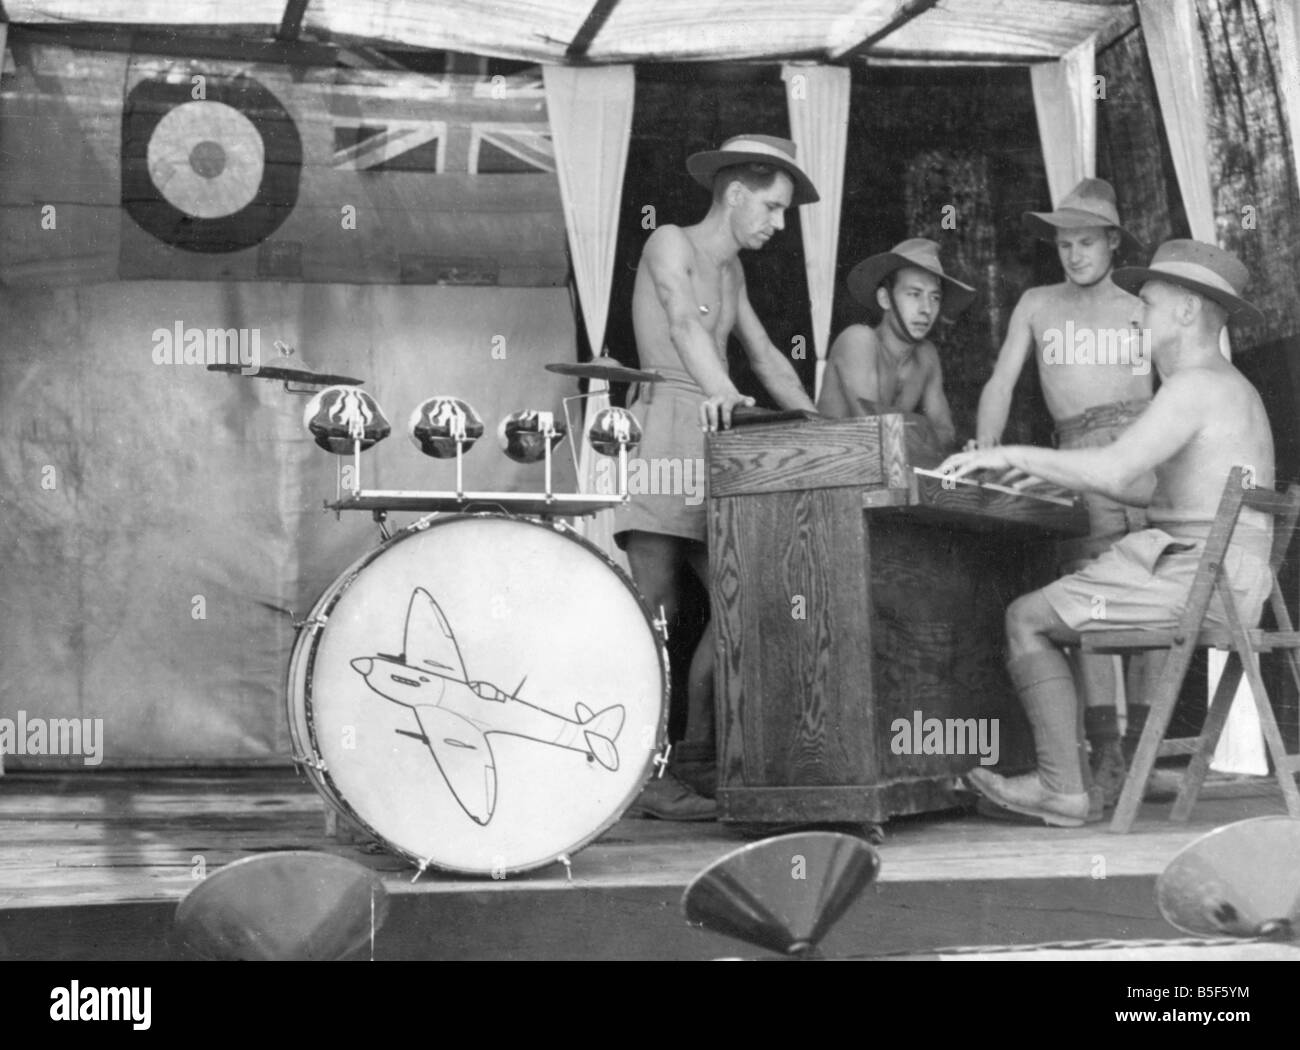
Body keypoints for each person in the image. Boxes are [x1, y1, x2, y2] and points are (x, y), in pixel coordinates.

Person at [938, 240, 1273, 827]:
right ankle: (1075, 777)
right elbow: (1155, 491)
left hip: (1202, 580)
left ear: (1188, 311)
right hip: (1230, 580)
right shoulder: (1229, 385)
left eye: (1147, 304)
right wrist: (1039, 467)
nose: (1136, 317)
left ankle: (1061, 789)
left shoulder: (1193, 386)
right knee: (1052, 603)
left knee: (1025, 618)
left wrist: (1016, 451)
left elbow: (1116, 468)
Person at [615, 134, 820, 820]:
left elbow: (764, 356)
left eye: (784, 212)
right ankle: (639, 770)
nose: (778, 223)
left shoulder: (733, 274)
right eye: (772, 207)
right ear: (734, 194)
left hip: (715, 433)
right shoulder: (670, 241)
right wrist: (722, 394)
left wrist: (821, 425)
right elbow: (681, 323)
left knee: (739, 603)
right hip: (669, 426)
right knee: (657, 609)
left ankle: (698, 755)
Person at [971, 178, 1153, 809]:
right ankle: (1105, 757)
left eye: (1085, 242)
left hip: (1148, 449)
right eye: (1064, 243)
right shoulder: (1037, 302)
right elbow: (1001, 380)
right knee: (1094, 597)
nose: (1074, 255)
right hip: (1077, 453)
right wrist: (985, 445)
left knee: (1158, 593)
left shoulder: (1142, 302)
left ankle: (1141, 757)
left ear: (1111, 241)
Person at [816, 237, 974, 451]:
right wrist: (921, 432)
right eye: (914, 294)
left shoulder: (926, 356)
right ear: (885, 299)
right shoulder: (859, 340)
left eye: (935, 297)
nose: (926, 309)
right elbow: (874, 431)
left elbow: (946, 433)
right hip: (831, 470)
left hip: (887, 472)